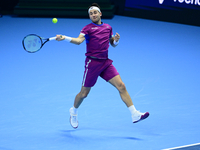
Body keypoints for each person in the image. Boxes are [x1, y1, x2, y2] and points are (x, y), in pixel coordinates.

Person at [56, 3, 149, 129]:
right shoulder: (87, 28)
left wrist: (116, 40)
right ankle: (73, 111)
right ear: (89, 16)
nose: (93, 15)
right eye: (91, 13)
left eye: (95, 12)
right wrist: (65, 37)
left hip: (105, 63)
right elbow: (78, 41)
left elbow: (112, 44)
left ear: (100, 13)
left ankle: (134, 114)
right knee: (84, 94)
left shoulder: (108, 27)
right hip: (92, 64)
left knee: (121, 86)